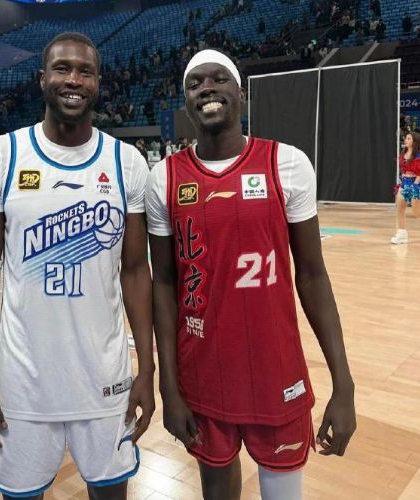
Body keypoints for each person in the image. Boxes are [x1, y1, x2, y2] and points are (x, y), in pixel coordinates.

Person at [146, 50, 356, 500]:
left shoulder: (288, 163)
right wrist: (168, 386)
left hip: (276, 369)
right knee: (216, 487)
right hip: (202, 376)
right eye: (195, 83)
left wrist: (344, 384)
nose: (207, 88)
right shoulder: (163, 178)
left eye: (219, 78)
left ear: (240, 93)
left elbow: (313, 276)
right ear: (186, 102)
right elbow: (162, 282)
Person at [0, 32, 155, 500]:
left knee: (110, 493)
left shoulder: (126, 162)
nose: (74, 79)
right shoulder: (0, 156)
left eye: (85, 71)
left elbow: (135, 272)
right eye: (63, 68)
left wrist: (146, 370)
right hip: (22, 382)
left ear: (98, 82)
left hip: (104, 378)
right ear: (42, 78)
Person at [391, 131, 420, 244]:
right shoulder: (403, 154)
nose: (405, 140)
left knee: (416, 213)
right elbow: (403, 171)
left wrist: (415, 186)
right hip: (404, 184)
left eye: (408, 138)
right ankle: (402, 234)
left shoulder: (418, 156)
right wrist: (402, 183)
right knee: (400, 210)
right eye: (405, 138)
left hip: (415, 184)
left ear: (414, 141)